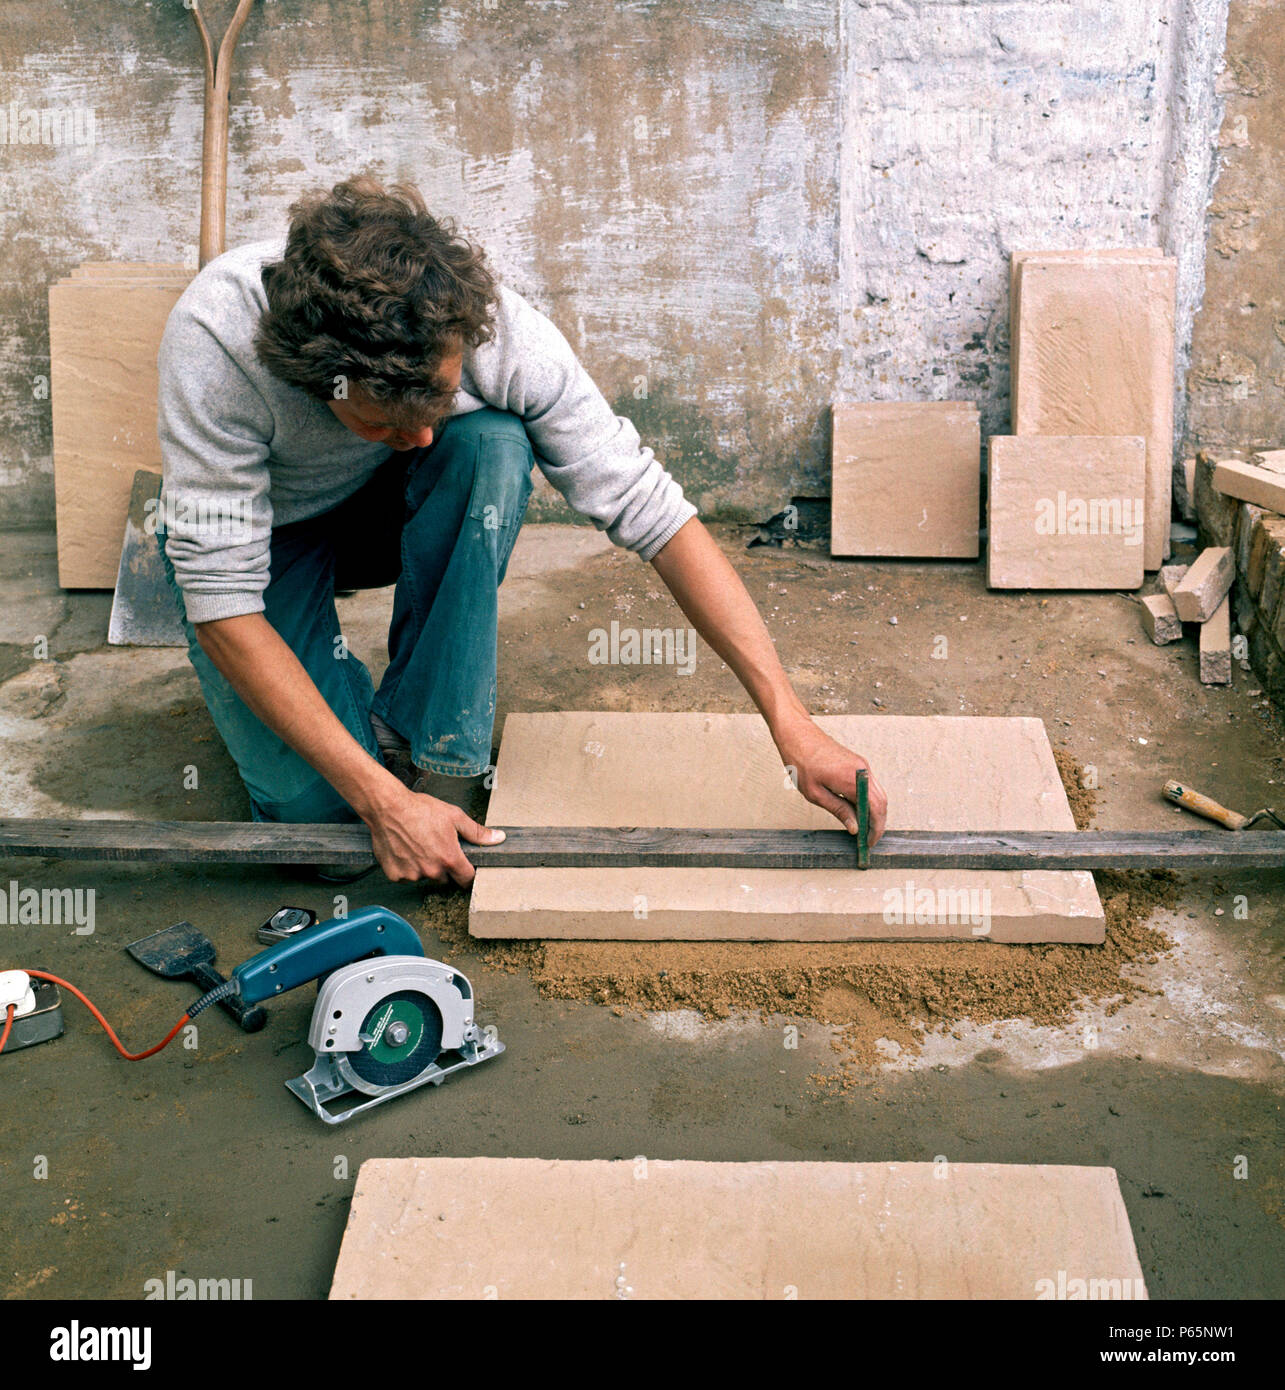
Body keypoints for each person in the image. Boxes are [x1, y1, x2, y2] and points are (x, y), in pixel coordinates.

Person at [158, 174, 888, 884]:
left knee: (489, 444)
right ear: (322, 381)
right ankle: (353, 734)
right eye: (383, 421)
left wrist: (792, 726)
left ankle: (426, 743)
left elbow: (657, 516)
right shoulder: (216, 342)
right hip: (270, 534)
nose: (417, 437)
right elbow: (223, 604)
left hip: (394, 515)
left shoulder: (495, 333)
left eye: (434, 404)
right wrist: (378, 800)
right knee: (324, 840)